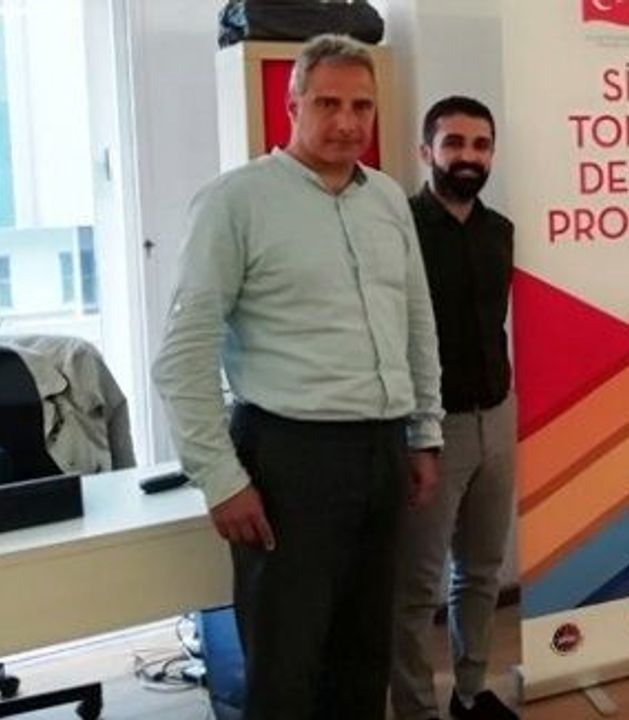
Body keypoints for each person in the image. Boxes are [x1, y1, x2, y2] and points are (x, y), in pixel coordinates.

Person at [152, 34, 444, 720]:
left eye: (362, 106)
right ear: (292, 106)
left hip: (382, 452)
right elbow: (183, 354)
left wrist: (424, 432)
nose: (347, 122)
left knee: (362, 659)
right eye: (327, 103)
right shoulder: (235, 202)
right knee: (287, 668)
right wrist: (220, 478)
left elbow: (416, 323)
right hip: (289, 459)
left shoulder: (387, 200)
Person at [390, 96, 518, 720]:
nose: (469, 156)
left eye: (481, 145)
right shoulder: (400, 231)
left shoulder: (500, 232)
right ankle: (417, 710)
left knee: (482, 570)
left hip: (497, 414)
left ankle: (471, 693)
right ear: (426, 152)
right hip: (430, 430)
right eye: (454, 143)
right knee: (416, 588)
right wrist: (416, 430)